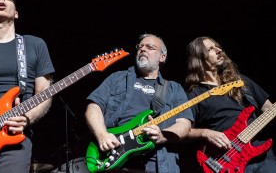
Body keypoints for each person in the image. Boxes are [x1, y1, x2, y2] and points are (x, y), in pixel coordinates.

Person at [84, 33, 194, 173]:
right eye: (140, 46)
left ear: (162, 57)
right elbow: (93, 106)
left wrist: (162, 136)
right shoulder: (117, 78)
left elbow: (184, 123)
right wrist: (101, 134)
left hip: (158, 164)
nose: (142, 49)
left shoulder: (174, 88)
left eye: (150, 47)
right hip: (112, 156)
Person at [0, 0, 55, 173]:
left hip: (13, 137)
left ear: (16, 13)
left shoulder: (34, 45)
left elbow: (44, 94)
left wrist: (27, 118)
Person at [180, 36, 276, 173]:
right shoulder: (194, 95)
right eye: (211, 49)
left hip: (263, 158)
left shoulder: (242, 82)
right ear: (199, 59)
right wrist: (205, 133)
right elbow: (184, 132)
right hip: (225, 162)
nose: (219, 50)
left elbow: (270, 109)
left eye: (217, 46)